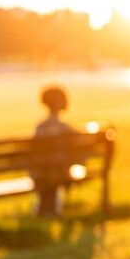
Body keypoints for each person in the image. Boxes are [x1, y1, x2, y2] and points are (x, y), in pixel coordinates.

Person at [32, 85, 79, 217]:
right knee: (53, 169)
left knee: (48, 169)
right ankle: (49, 210)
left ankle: (44, 210)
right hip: (60, 172)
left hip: (43, 173)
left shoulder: (40, 127)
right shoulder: (65, 128)